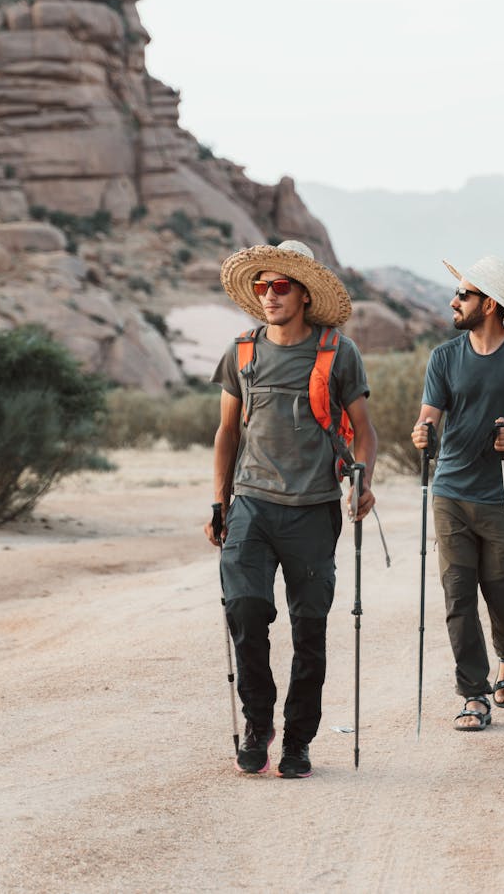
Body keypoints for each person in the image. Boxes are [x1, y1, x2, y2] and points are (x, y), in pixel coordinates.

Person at [205, 239, 377, 777]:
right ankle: (260, 723)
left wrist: (362, 482)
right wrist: (219, 501)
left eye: (281, 286)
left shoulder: (337, 353)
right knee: (246, 609)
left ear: (304, 295)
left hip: (314, 509)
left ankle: (298, 742)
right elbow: (227, 432)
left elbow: (366, 432)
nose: (269, 295)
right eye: (262, 286)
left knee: (310, 628)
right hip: (252, 505)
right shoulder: (242, 352)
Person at [411, 255, 504, 732]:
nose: (453, 301)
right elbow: (429, 417)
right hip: (451, 490)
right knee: (457, 595)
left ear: (489, 304)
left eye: (464, 294)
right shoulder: (444, 357)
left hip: (502, 494)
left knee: (500, 591)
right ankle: (473, 693)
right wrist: (422, 433)